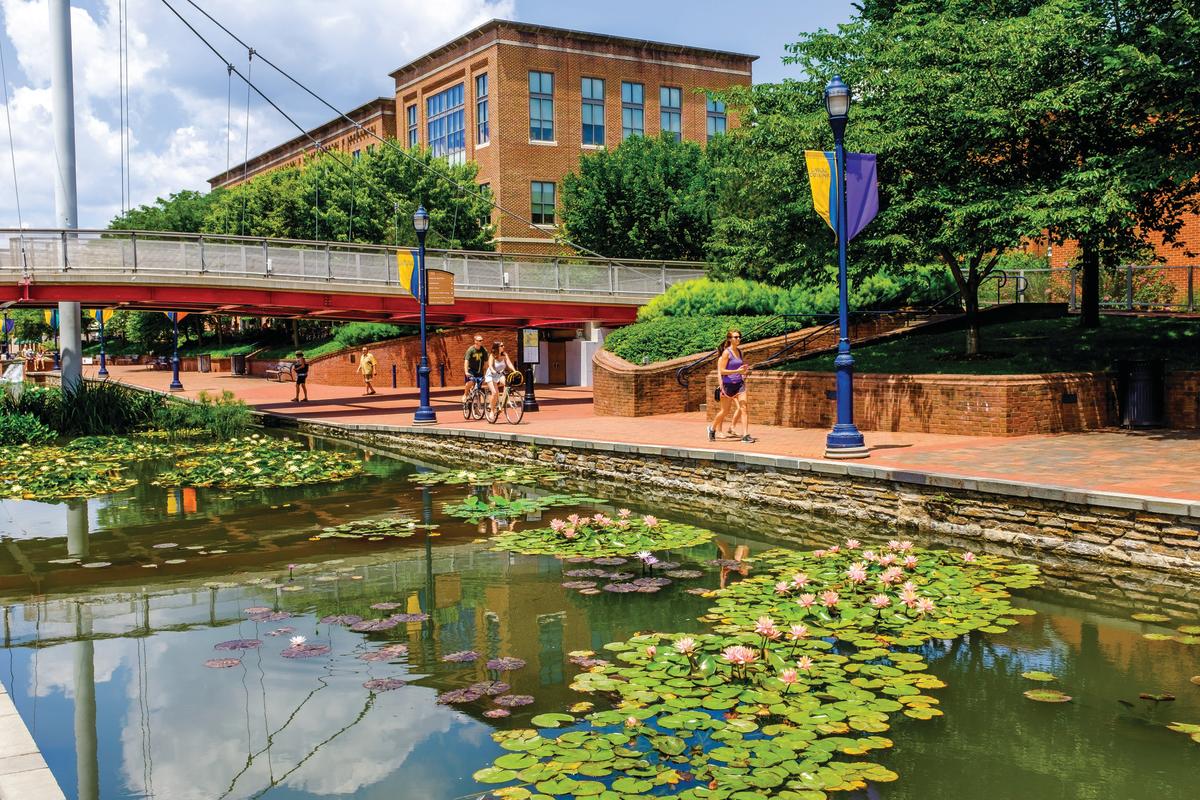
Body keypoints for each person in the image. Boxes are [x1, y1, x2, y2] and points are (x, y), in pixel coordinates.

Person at [708, 329, 755, 443]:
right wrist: (736, 371)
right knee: (724, 411)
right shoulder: (726, 353)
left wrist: (743, 371)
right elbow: (722, 371)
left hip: (739, 384)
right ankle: (712, 429)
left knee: (744, 408)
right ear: (729, 339)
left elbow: (739, 369)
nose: (738, 339)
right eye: (735, 337)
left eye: (739, 337)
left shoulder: (740, 352)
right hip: (728, 385)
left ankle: (745, 435)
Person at [485, 340, 514, 416]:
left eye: (503, 345)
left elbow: (509, 363)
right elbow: (490, 366)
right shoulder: (492, 355)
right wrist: (493, 371)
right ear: (497, 347)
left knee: (507, 384)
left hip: (499, 374)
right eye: (501, 346)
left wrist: (514, 371)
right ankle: (491, 411)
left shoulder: (504, 354)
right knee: (495, 393)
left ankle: (503, 402)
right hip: (491, 375)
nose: (503, 347)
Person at [462, 334, 488, 403]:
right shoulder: (471, 350)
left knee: (478, 388)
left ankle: (477, 405)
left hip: (479, 371)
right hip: (471, 370)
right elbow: (466, 361)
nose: (481, 342)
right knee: (471, 382)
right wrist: (466, 371)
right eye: (479, 340)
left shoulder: (484, 350)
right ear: (475, 341)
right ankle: (465, 394)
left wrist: (486, 373)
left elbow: (486, 363)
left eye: (482, 340)